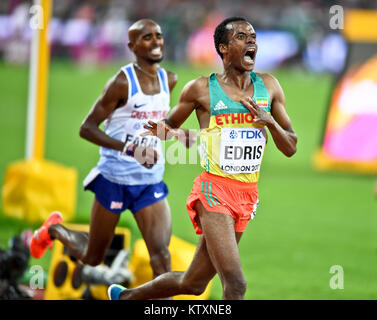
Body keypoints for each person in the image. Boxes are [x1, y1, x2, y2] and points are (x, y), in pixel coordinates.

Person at [108, 16, 297, 300]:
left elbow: (291, 146)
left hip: (247, 195)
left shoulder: (269, 87)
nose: (252, 42)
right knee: (236, 284)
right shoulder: (200, 89)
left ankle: (124, 298)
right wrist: (164, 136)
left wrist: (269, 122)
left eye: (253, 37)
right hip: (214, 192)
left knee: (193, 284)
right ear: (223, 48)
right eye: (242, 37)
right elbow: (166, 125)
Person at [29, 19, 189, 280]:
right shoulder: (121, 83)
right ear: (132, 45)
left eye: (158, 36)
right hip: (115, 178)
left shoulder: (169, 80)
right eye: (147, 37)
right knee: (94, 257)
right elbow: (87, 128)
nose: (156, 42)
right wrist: (131, 150)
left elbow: (149, 124)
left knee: (161, 256)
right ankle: (55, 230)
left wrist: (176, 133)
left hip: (149, 181)